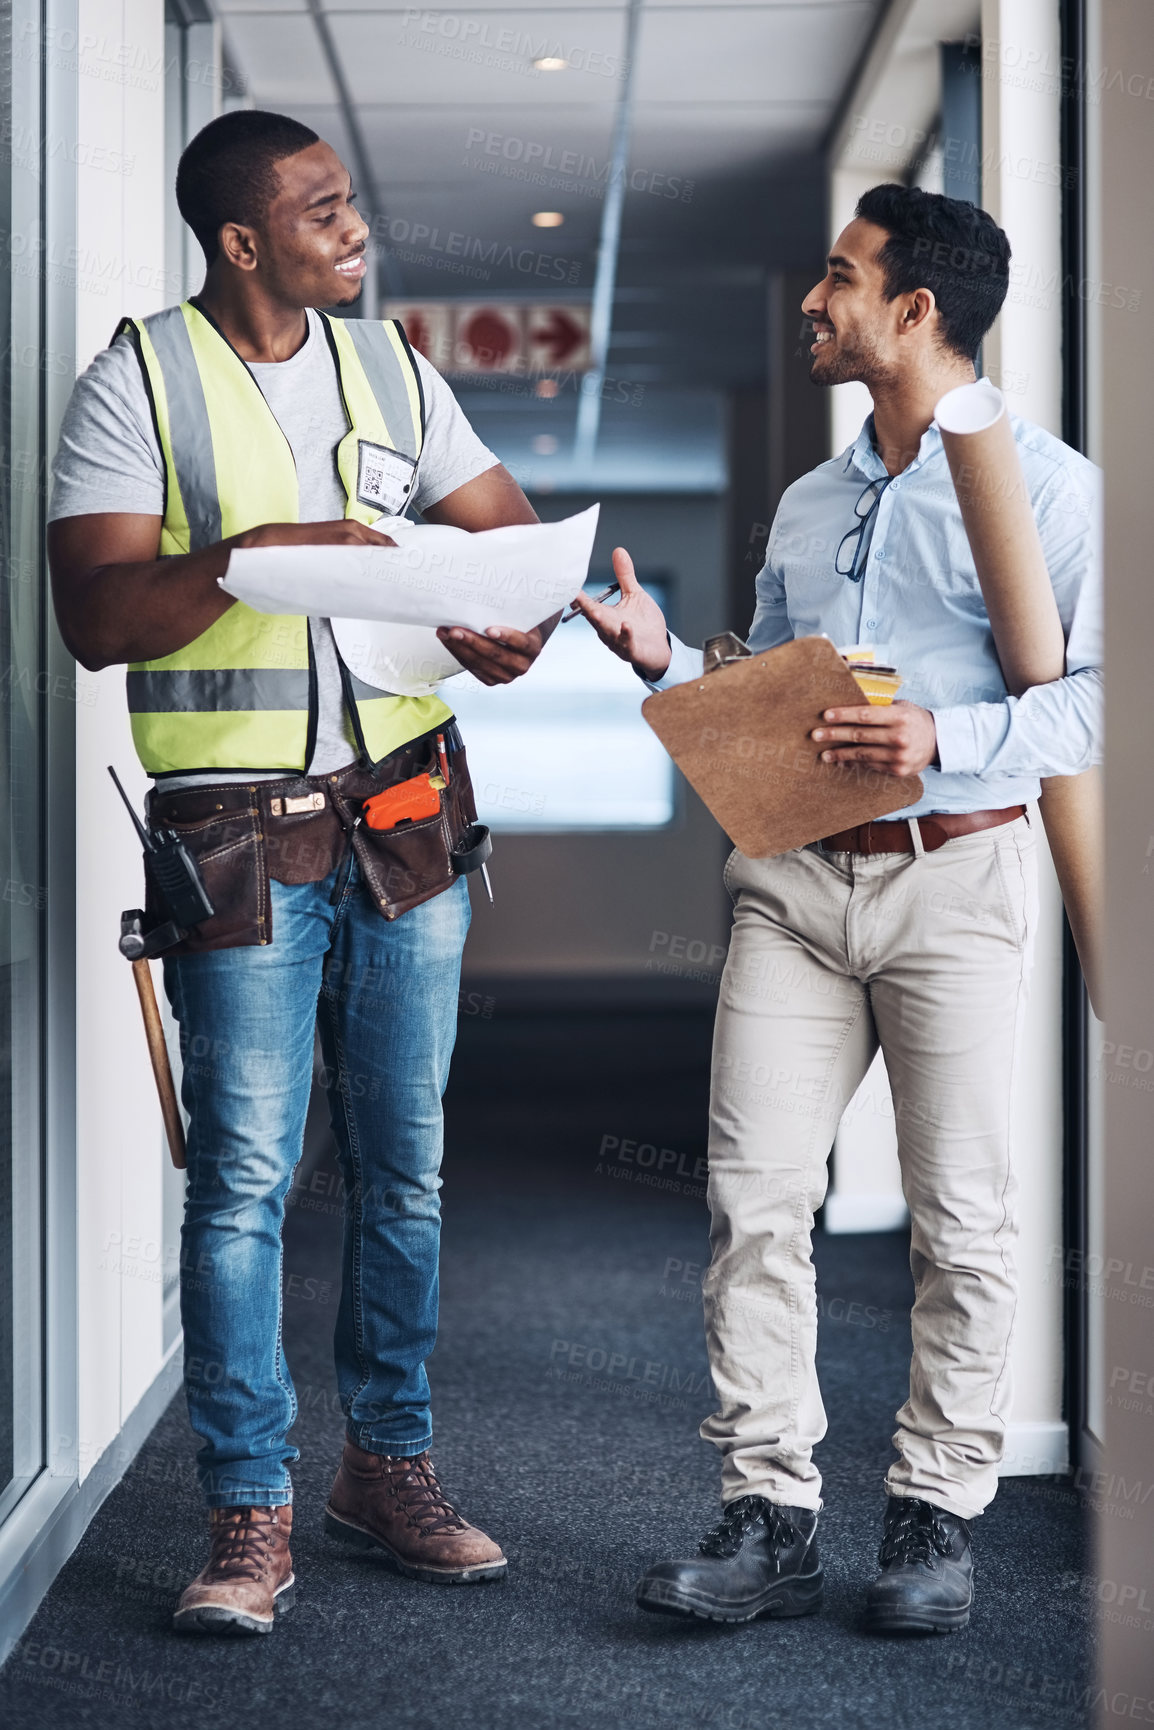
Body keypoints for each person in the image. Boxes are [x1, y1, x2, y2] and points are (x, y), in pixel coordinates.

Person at [48, 110, 553, 1636]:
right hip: (241, 838)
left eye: (350, 204)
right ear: (243, 240)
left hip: (405, 819)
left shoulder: (395, 366)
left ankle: (384, 1467)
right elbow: (96, 614)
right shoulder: (138, 378)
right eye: (323, 210)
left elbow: (505, 532)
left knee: (404, 1171)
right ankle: (246, 1507)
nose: (356, 227)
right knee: (244, 1183)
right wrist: (245, 556)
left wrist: (501, 618)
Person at [576, 184, 1101, 1635]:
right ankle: (768, 1513)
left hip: (957, 877)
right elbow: (770, 698)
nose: (813, 302)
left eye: (836, 277)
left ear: (913, 310)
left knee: (965, 1221)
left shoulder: (1049, 488)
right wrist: (666, 658)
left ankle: (933, 1515)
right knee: (752, 1201)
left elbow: (1099, 697)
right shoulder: (813, 499)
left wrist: (949, 735)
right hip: (795, 888)